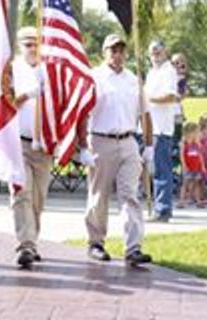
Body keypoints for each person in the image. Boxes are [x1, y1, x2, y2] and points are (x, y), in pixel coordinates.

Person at [85, 34, 153, 267]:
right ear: (104, 52)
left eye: (121, 50)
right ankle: (96, 242)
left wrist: (149, 144)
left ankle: (133, 248)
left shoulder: (134, 79)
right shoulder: (94, 77)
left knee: (130, 195)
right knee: (99, 195)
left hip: (128, 141)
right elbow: (83, 113)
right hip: (101, 140)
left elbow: (145, 113)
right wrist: (83, 145)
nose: (118, 55)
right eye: (113, 50)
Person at [10, 26, 52, 269]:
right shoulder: (12, 70)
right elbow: (6, 104)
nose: (32, 48)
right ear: (19, 46)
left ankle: (32, 240)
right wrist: (27, 94)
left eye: (35, 43)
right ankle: (25, 244)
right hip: (19, 142)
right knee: (21, 194)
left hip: (44, 144)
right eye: (27, 44)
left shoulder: (48, 70)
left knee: (38, 198)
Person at [145, 40, 178, 222]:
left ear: (165, 52)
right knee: (152, 169)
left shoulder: (168, 71)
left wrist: (149, 99)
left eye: (158, 52)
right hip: (150, 127)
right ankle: (157, 205)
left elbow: (171, 96)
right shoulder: (151, 72)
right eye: (152, 52)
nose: (155, 55)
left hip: (162, 128)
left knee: (161, 169)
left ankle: (163, 209)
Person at [177, 122, 206, 208]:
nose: (198, 134)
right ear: (190, 132)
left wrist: (203, 166)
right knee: (185, 183)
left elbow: (200, 155)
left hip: (196, 167)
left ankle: (198, 201)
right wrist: (184, 165)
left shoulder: (196, 143)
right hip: (188, 167)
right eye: (196, 132)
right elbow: (181, 155)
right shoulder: (184, 142)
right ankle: (181, 201)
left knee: (196, 183)